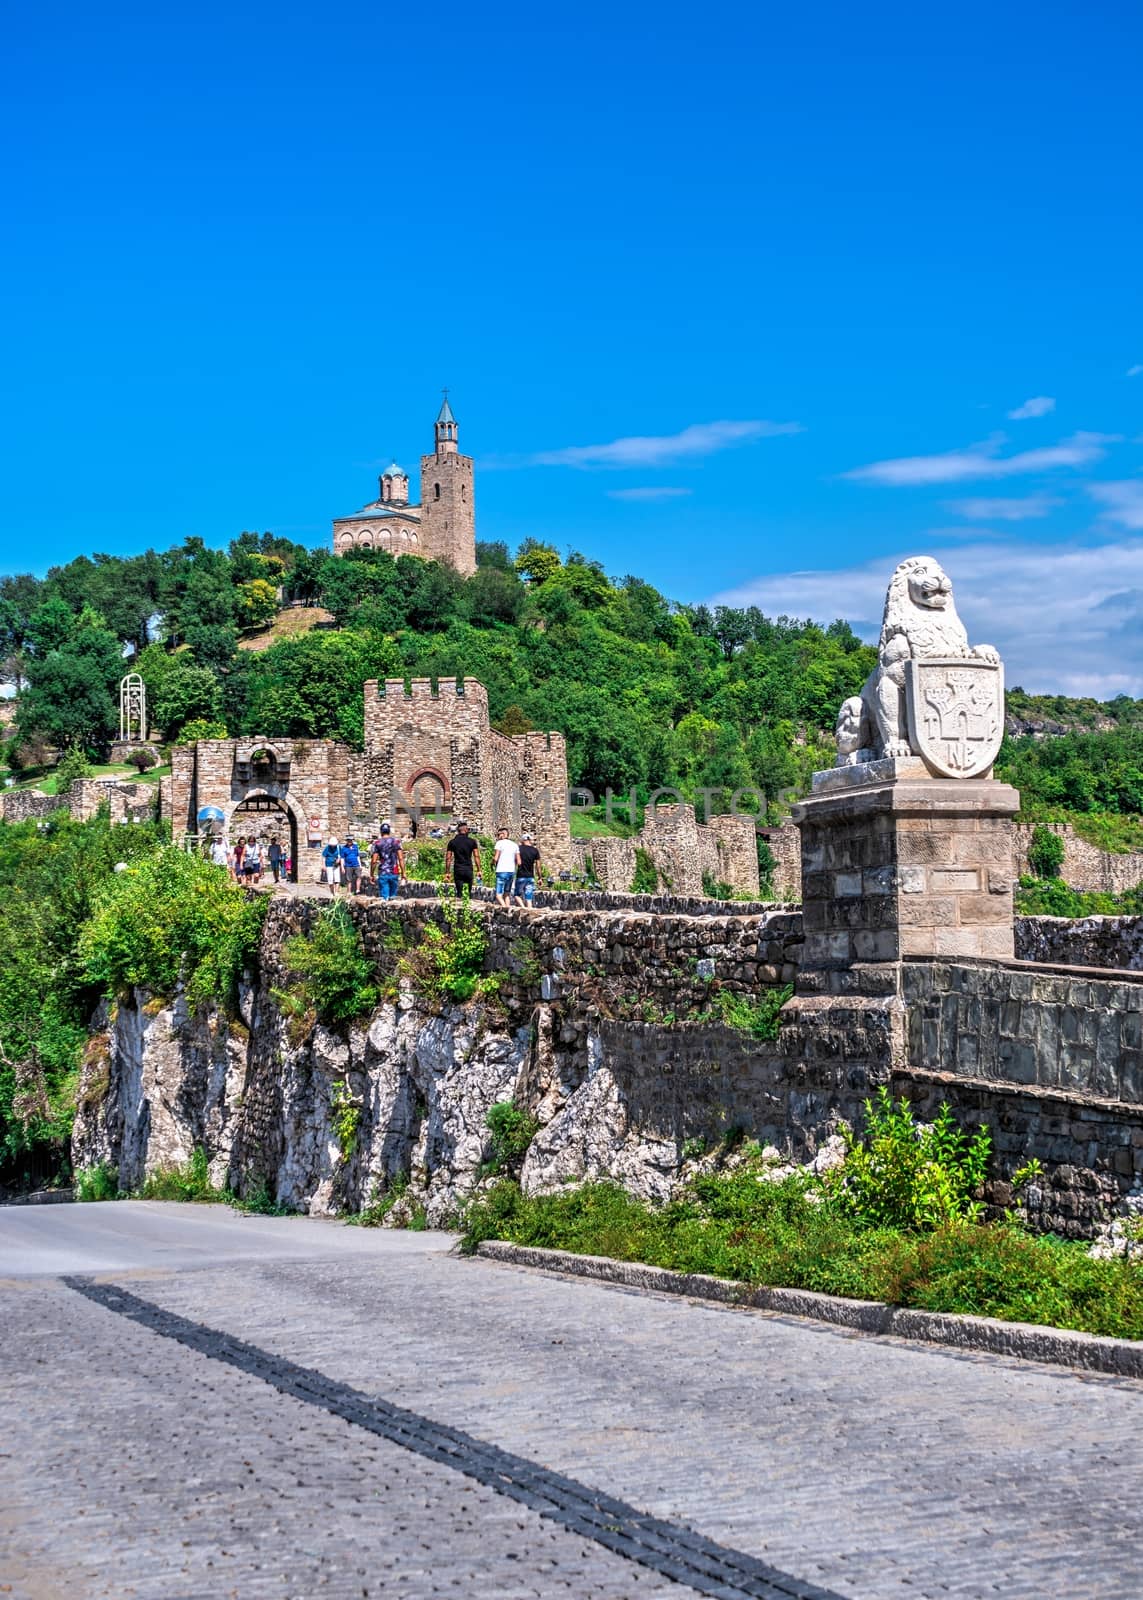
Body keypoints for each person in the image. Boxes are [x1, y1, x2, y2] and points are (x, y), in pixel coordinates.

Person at [444, 820, 481, 899]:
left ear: (458, 831)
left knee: (459, 893)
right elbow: (476, 856)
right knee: (469, 892)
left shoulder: (452, 842)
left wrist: (447, 872)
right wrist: (479, 870)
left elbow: (448, 858)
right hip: (468, 869)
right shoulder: (472, 842)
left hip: (458, 869)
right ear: (466, 830)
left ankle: (460, 908)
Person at [373, 821, 405, 901]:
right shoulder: (396, 842)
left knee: (385, 898)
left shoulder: (377, 843)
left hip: (383, 872)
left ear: (381, 832)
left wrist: (371, 874)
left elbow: (374, 861)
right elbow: (401, 858)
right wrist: (403, 874)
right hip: (394, 872)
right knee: (393, 897)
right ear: (389, 831)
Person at [492, 826, 519, 906]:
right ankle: (508, 910)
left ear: (502, 835)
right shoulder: (515, 845)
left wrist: (492, 863)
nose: (497, 837)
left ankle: (505, 908)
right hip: (511, 871)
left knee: (498, 895)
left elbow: (496, 858)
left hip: (501, 871)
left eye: (498, 835)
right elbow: (518, 861)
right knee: (507, 894)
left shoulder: (499, 843)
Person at [514, 832, 542, 907]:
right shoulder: (535, 850)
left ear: (523, 840)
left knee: (517, 895)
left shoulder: (518, 849)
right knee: (528, 897)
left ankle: (523, 908)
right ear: (529, 840)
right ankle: (529, 911)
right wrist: (540, 878)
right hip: (530, 877)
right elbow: (538, 866)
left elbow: (515, 861)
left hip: (521, 876)